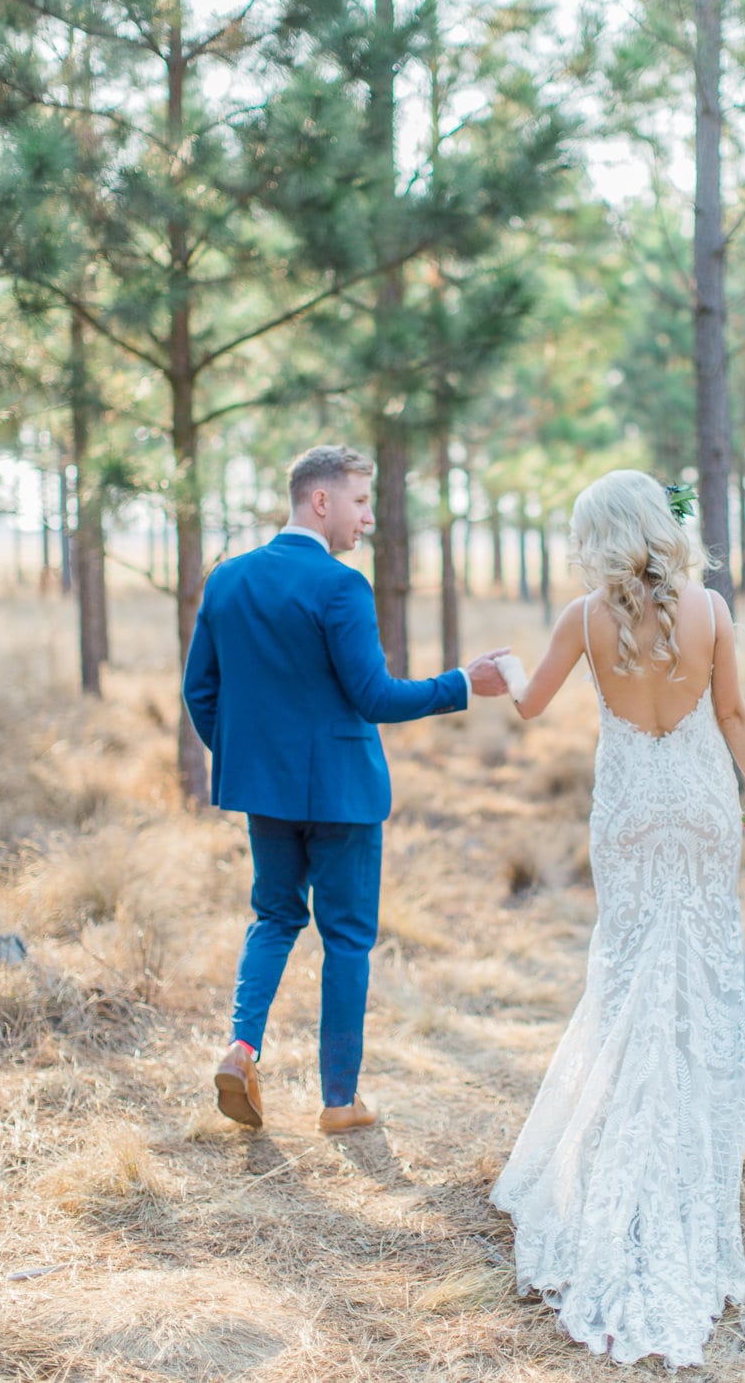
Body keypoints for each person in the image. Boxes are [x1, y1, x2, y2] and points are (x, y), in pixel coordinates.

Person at [490, 468, 745, 1370]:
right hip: (699, 807)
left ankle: (617, 1138)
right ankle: (690, 1159)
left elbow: (529, 701)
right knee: (701, 979)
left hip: (627, 814)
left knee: (623, 978)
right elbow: (733, 715)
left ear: (599, 538)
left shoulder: (583, 619)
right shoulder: (711, 611)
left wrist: (504, 666)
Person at [183, 444, 508, 1135]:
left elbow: (200, 693)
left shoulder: (227, 581)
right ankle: (339, 1102)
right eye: (361, 502)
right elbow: (375, 696)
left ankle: (241, 1050)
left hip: (265, 796)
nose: (368, 520)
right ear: (320, 501)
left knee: (273, 918)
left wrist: (254, 762)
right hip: (344, 797)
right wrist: (462, 684)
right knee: (348, 941)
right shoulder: (341, 587)